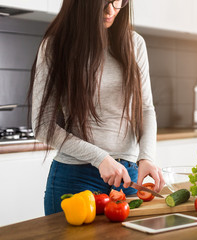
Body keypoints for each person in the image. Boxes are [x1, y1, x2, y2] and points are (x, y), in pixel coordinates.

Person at [28, 0, 164, 215]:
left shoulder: (134, 43)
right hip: (75, 177)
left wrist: (147, 157)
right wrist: (100, 158)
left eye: (118, 1)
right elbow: (43, 126)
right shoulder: (55, 46)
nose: (111, 10)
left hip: (128, 176)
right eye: (103, 2)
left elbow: (146, 109)